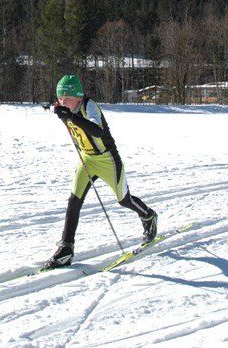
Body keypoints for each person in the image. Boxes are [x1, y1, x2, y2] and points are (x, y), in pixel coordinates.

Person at [43, 74, 157, 270]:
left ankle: (148, 216)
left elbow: (97, 131)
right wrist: (61, 113)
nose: (63, 102)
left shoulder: (89, 106)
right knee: (74, 201)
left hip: (107, 160)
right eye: (60, 98)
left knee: (124, 200)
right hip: (87, 160)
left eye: (67, 98)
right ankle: (66, 249)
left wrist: (70, 117)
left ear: (78, 96)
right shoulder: (66, 109)